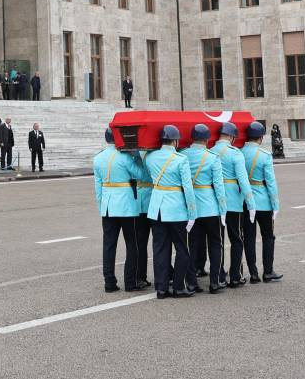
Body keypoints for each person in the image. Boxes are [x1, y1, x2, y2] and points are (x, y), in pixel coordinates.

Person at [143, 125, 197, 299]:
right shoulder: (180, 159)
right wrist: (192, 213)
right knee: (182, 248)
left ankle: (161, 288)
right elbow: (187, 188)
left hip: (156, 208)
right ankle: (179, 286)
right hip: (176, 209)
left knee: (160, 249)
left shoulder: (150, 157)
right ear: (175, 140)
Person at [94, 128, 147, 293]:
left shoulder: (98, 158)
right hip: (126, 206)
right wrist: (137, 156)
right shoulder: (125, 157)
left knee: (109, 245)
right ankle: (130, 282)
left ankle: (109, 282)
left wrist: (102, 207)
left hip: (108, 207)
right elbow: (142, 174)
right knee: (132, 245)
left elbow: (98, 189)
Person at [181, 124, 227, 294]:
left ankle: (192, 282)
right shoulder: (212, 157)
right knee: (215, 244)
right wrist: (223, 210)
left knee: (191, 245)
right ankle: (215, 282)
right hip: (210, 207)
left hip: (190, 208)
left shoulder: (183, 155)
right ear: (207, 139)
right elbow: (219, 187)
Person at [212, 122, 255, 289]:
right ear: (230, 137)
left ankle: (220, 274)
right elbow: (243, 181)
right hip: (233, 201)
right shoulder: (235, 154)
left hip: (215, 199)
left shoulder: (211, 151)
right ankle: (235, 276)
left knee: (219, 240)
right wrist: (250, 204)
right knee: (236, 239)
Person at [241, 122, 282, 282]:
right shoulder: (264, 155)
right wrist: (275, 204)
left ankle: (253, 273)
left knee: (249, 237)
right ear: (261, 137)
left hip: (245, 201)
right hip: (263, 201)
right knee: (268, 236)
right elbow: (270, 183)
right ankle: (268, 271)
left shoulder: (239, 152)